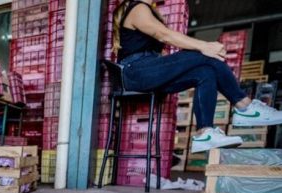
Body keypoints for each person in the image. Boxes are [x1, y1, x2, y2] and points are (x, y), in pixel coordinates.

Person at [113, 0, 282, 154]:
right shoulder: (138, 7)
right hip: (134, 71)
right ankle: (245, 106)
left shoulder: (149, 11)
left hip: (147, 71)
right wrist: (204, 46)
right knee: (206, 55)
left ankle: (205, 133)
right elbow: (163, 34)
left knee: (205, 72)